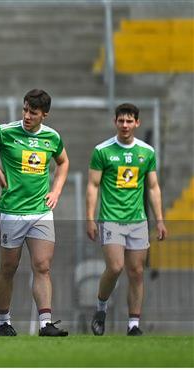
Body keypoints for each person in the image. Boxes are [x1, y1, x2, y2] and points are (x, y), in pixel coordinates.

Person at [0, 89, 70, 337]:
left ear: (45, 114)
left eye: (33, 112)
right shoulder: (6, 132)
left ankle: (45, 323)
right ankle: (4, 321)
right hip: (11, 211)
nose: (27, 116)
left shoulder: (52, 137)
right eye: (24, 109)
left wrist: (56, 191)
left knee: (43, 266)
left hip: (41, 212)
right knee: (8, 268)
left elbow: (63, 162)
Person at [86, 103, 167, 336]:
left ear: (137, 123)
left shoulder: (147, 152)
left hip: (138, 220)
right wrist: (90, 218)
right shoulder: (102, 150)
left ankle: (133, 325)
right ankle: (101, 308)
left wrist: (160, 220)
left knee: (137, 271)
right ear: (115, 122)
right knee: (115, 267)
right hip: (111, 218)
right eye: (121, 120)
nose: (125, 125)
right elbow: (93, 186)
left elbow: (153, 187)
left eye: (129, 121)